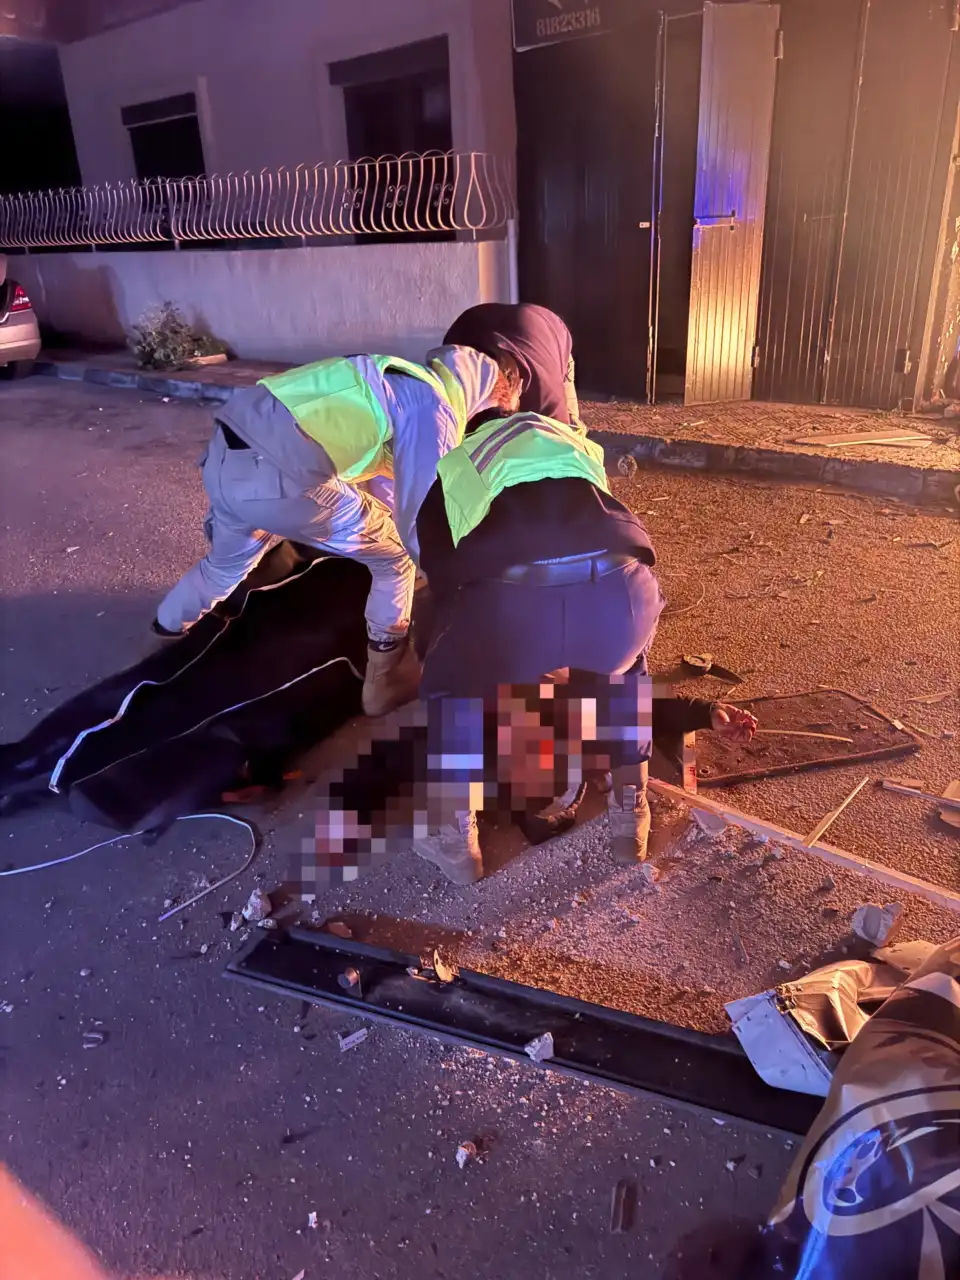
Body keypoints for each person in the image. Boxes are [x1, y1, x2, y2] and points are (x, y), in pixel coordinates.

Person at [410, 397, 756, 883]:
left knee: (449, 692)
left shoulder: (461, 464)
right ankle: (629, 818)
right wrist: (701, 710)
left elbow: (442, 581)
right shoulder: (571, 445)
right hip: (622, 594)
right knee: (627, 677)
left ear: (472, 434)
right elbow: (604, 530)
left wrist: (466, 645)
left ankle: (455, 843)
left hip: (517, 607)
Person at [154, 347, 511, 717]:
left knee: (223, 566)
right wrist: (470, 589)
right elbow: (424, 522)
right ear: (482, 399)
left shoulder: (391, 379)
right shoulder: (432, 407)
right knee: (396, 558)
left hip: (225, 458)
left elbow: (388, 485)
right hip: (281, 475)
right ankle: (386, 681)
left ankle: (167, 626)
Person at [441, 302, 583, 429]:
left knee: (571, 433)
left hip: (550, 333)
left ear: (520, 387)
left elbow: (562, 444)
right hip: (483, 324)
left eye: (506, 414)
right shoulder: (452, 367)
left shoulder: (545, 393)